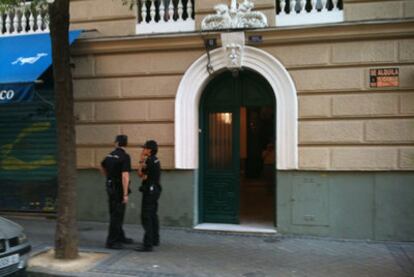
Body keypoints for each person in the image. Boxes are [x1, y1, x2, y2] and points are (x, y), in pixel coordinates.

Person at [101, 135, 134, 249]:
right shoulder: (125, 157)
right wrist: (125, 194)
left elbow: (102, 166)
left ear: (116, 143)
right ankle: (111, 241)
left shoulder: (109, 155)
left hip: (110, 186)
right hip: (119, 188)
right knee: (117, 215)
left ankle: (120, 236)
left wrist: (108, 177)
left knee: (114, 212)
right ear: (126, 144)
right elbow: (125, 176)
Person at [135, 140, 162, 252]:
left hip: (149, 191)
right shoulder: (156, 160)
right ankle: (155, 239)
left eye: (145, 148)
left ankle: (148, 244)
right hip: (155, 190)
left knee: (146, 216)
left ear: (149, 150)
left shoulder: (149, 161)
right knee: (153, 215)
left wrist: (141, 160)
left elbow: (140, 174)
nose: (143, 150)